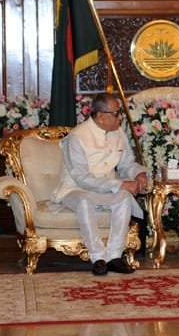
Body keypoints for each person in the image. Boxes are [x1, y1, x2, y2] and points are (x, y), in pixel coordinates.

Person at [53, 92, 150, 275]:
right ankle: (98, 257)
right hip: (75, 189)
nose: (120, 118)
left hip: (107, 189)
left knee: (124, 198)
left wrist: (139, 174)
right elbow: (81, 177)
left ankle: (114, 256)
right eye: (116, 113)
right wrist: (118, 184)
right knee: (85, 201)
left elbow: (126, 163)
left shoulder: (118, 133)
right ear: (100, 116)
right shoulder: (77, 137)